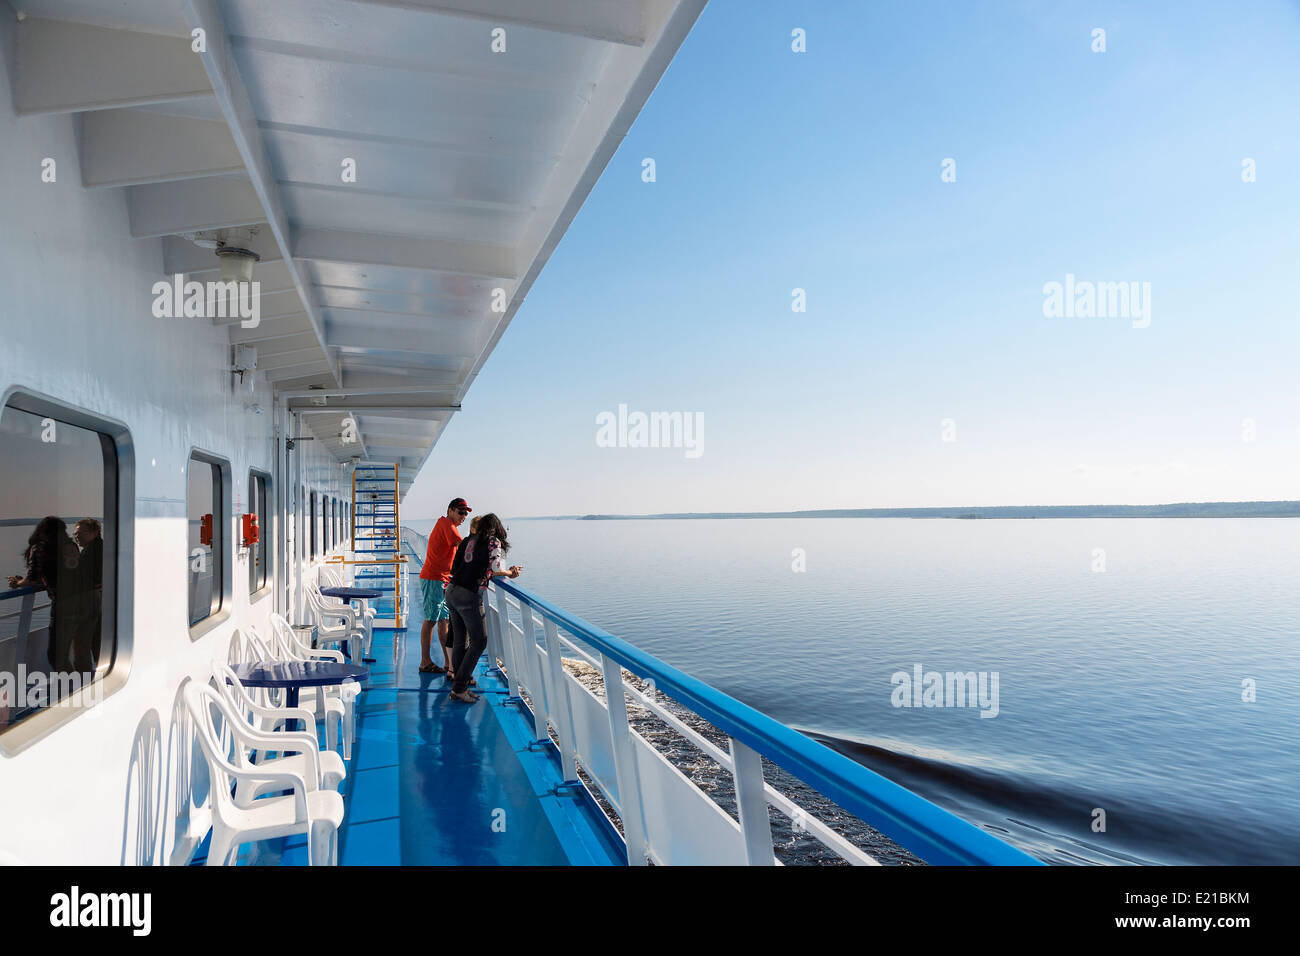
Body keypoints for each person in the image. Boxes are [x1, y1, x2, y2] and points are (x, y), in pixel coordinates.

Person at [445, 513, 520, 703]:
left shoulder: (469, 540)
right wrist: (511, 573)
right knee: (479, 641)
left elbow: (455, 568)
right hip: (468, 595)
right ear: (496, 527)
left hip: (452, 590)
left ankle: (459, 684)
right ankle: (460, 687)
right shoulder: (493, 541)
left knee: (461, 640)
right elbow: (495, 569)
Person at [7, 516, 81, 673]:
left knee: (55, 655)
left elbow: (32, 579)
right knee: (73, 650)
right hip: (83, 601)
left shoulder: (40, 548)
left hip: (62, 605)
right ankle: (77, 684)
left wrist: (17, 582)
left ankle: (72, 688)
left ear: (41, 531)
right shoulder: (71, 545)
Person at [417, 498, 470, 674]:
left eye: (466, 513)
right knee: (431, 620)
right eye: (460, 512)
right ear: (450, 510)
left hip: (443, 579)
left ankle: (449, 663)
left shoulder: (447, 524)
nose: (463, 516)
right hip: (433, 578)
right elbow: (462, 545)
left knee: (444, 621)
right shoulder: (446, 523)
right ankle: (425, 661)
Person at [72, 519, 104, 673]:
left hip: (89, 602)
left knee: (82, 643)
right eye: (75, 534)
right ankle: (102, 672)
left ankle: (82, 680)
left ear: (94, 533)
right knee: (97, 641)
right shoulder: (99, 548)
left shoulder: (92, 551)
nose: (76, 536)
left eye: (80, 533)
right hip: (98, 601)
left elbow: (83, 577)